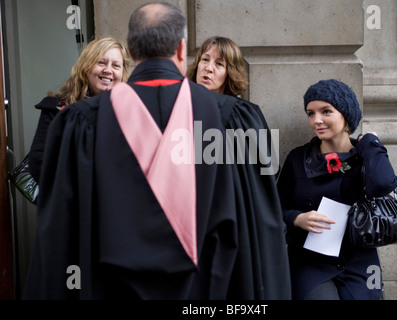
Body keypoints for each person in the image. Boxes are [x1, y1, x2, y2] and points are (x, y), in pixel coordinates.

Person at [22, 2, 260, 300]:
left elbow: (60, 232)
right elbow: (256, 225)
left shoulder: (79, 122)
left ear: (131, 54)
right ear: (182, 48)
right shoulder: (237, 119)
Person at [188, 36, 291, 299]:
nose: (208, 68)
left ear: (230, 72)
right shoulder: (182, 109)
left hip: (238, 219)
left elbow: (267, 170)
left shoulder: (244, 114)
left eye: (219, 64)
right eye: (204, 59)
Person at [277, 79, 397, 300]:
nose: (317, 120)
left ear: (345, 116)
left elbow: (383, 185)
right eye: (310, 113)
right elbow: (274, 206)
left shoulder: (365, 157)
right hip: (310, 262)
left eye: (326, 111)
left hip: (360, 261)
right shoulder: (297, 159)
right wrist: (297, 218)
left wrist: (371, 144)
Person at [28, 36, 131, 185]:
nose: (108, 70)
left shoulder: (131, 112)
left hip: (115, 204)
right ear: (86, 66)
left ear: (122, 74)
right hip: (73, 203)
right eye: (101, 62)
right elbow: (39, 163)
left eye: (116, 65)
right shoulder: (57, 108)